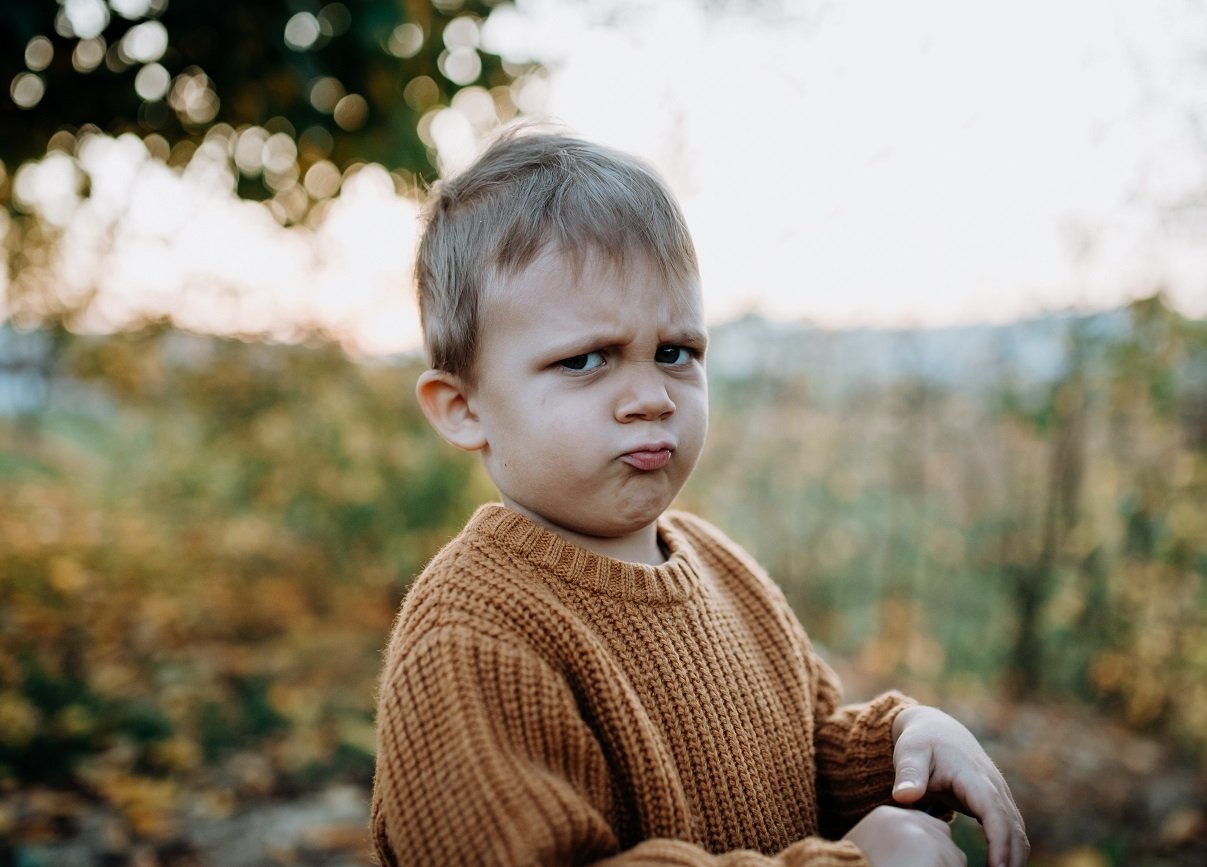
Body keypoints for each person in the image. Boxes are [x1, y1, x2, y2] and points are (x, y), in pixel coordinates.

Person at [370, 126, 1029, 867]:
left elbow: (802, 753)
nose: (650, 396)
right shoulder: (472, 638)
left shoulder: (723, 567)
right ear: (463, 407)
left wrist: (898, 748)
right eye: (586, 360)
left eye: (676, 352)